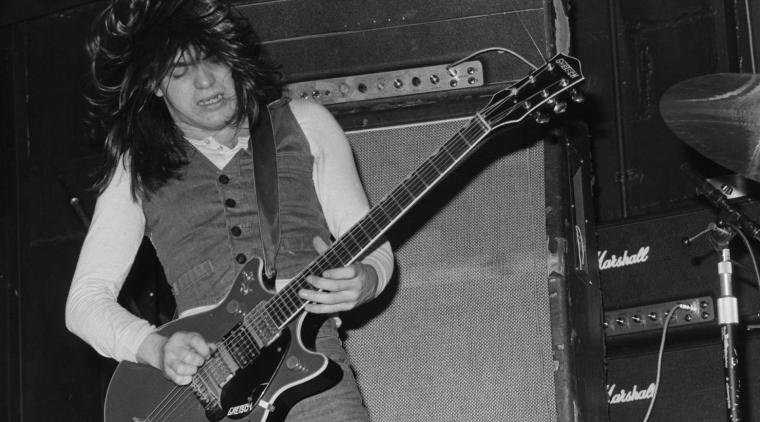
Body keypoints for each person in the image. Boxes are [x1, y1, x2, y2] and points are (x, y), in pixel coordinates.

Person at [64, 0, 394, 420]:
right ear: (154, 83)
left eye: (215, 59)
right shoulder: (135, 166)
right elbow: (85, 302)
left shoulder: (306, 123)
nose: (205, 82)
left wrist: (368, 278)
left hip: (309, 360)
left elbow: (370, 242)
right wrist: (155, 347)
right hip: (203, 385)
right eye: (180, 71)